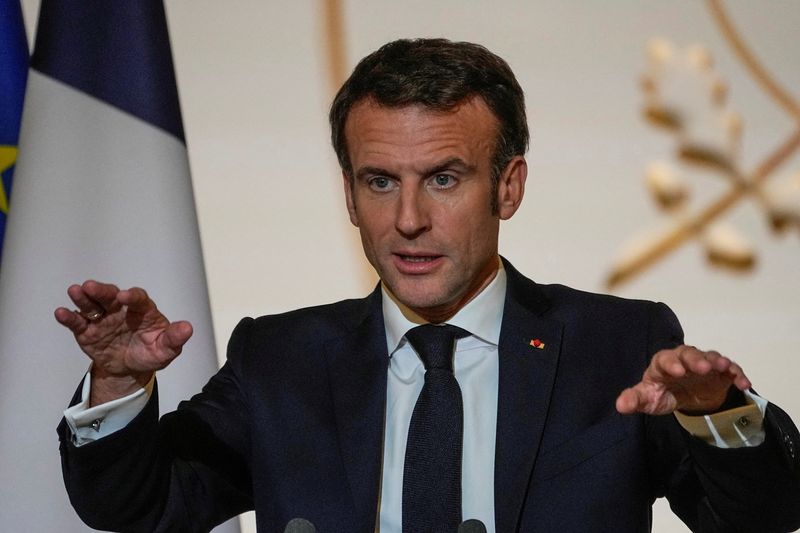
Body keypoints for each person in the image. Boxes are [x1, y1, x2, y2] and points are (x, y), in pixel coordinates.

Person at [56, 38, 800, 533]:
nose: (408, 219)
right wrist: (116, 384)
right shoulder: (279, 358)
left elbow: (765, 514)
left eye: (444, 178)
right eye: (380, 181)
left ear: (507, 187)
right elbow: (138, 504)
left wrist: (718, 414)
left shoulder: (617, 345)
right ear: (349, 194)